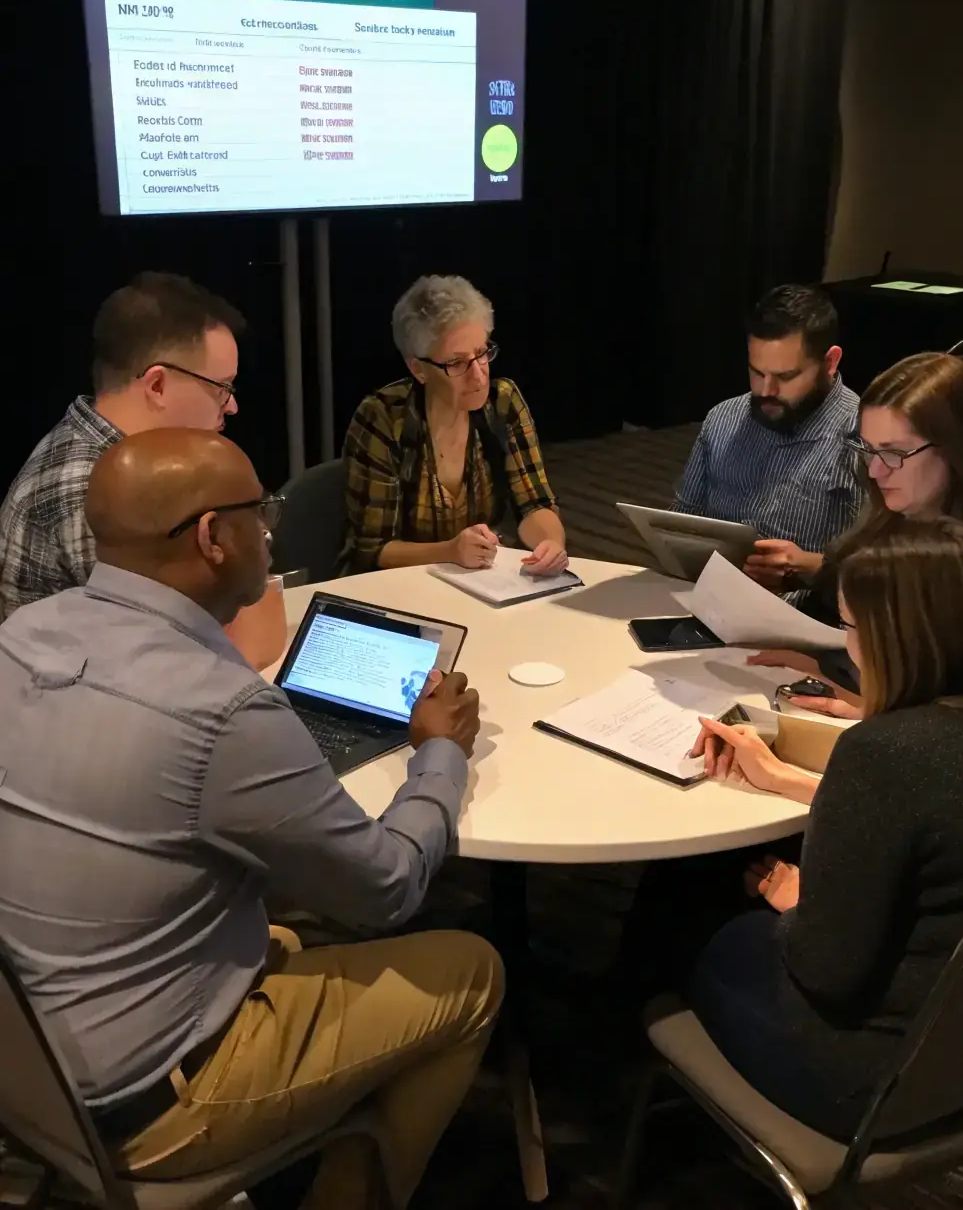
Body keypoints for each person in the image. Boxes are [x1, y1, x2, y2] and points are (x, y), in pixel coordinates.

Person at [0, 428, 503, 1210]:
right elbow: (388, 886)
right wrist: (439, 752)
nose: (269, 531)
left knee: (284, 927)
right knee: (472, 970)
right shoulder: (222, 709)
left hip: (28, 1062)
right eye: (258, 512)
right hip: (144, 1106)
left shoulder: (21, 637)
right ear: (211, 537)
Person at [682, 518, 963, 1141]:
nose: (846, 641)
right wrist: (789, 780)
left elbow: (825, 970)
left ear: (897, 636)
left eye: (847, 625)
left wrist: (797, 903)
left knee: (709, 928)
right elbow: (942, 821)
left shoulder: (885, 753)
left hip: (878, 1080)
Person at [748, 351, 963, 710]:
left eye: (894, 453)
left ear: (958, 445)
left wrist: (866, 717)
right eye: (869, 449)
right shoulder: (898, 497)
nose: (876, 472)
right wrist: (821, 671)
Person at [0, 271, 245, 621]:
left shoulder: (123, 457)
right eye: (223, 387)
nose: (232, 406)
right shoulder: (90, 491)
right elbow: (156, 644)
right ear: (157, 384)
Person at [342, 274, 567, 575]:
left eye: (482, 353)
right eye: (457, 363)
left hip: (480, 582)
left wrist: (550, 544)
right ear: (418, 368)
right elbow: (373, 548)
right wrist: (450, 551)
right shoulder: (384, 418)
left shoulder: (503, 402)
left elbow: (535, 504)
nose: (478, 375)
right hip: (399, 587)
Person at [673, 284, 860, 582]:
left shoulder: (864, 439)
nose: (766, 391)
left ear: (830, 362)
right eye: (757, 373)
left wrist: (811, 567)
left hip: (808, 614)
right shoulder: (724, 419)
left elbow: (884, 570)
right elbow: (681, 524)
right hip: (708, 596)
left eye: (786, 377)